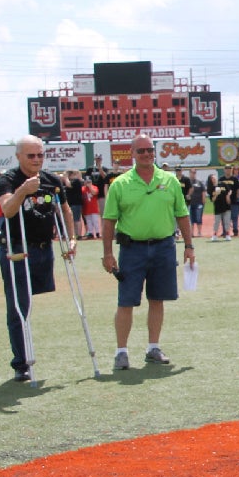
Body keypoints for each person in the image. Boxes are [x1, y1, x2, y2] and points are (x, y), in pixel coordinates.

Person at [101, 134, 194, 370]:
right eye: (141, 150)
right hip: (132, 250)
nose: (146, 154)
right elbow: (109, 221)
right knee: (126, 302)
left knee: (157, 299)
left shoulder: (169, 181)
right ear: (132, 153)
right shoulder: (120, 184)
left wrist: (189, 246)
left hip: (164, 247)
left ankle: (153, 347)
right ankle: (121, 352)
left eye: (150, 150)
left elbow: (181, 214)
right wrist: (108, 253)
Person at [0, 136, 75, 382]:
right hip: (17, 250)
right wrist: (23, 190)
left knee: (33, 299)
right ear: (19, 156)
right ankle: (22, 362)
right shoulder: (8, 180)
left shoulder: (52, 181)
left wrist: (71, 239)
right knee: (19, 307)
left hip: (43, 250)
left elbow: (65, 210)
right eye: (31, 156)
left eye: (40, 155)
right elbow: (7, 209)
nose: (36, 160)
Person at [187, 171, 207, 238]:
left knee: (199, 218)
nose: (193, 174)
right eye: (192, 172)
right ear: (189, 173)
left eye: (194, 172)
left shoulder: (199, 182)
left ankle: (199, 232)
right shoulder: (188, 182)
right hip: (190, 203)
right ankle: (191, 233)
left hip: (198, 203)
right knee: (191, 218)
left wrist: (203, 199)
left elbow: (203, 191)